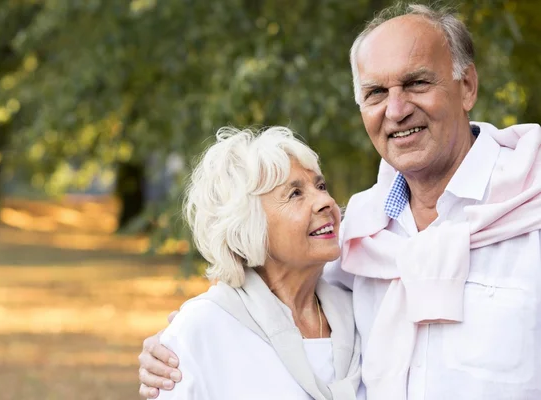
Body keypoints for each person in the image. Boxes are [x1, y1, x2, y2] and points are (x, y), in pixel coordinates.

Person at [139, 3, 541, 400]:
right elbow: (266, 298)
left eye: (417, 83)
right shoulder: (358, 237)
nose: (396, 110)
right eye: (376, 93)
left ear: (467, 86)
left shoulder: (529, 206)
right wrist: (179, 342)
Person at [143, 126, 361, 399]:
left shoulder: (360, 311)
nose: (326, 202)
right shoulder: (200, 330)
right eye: (295, 194)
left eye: (320, 186)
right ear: (247, 225)